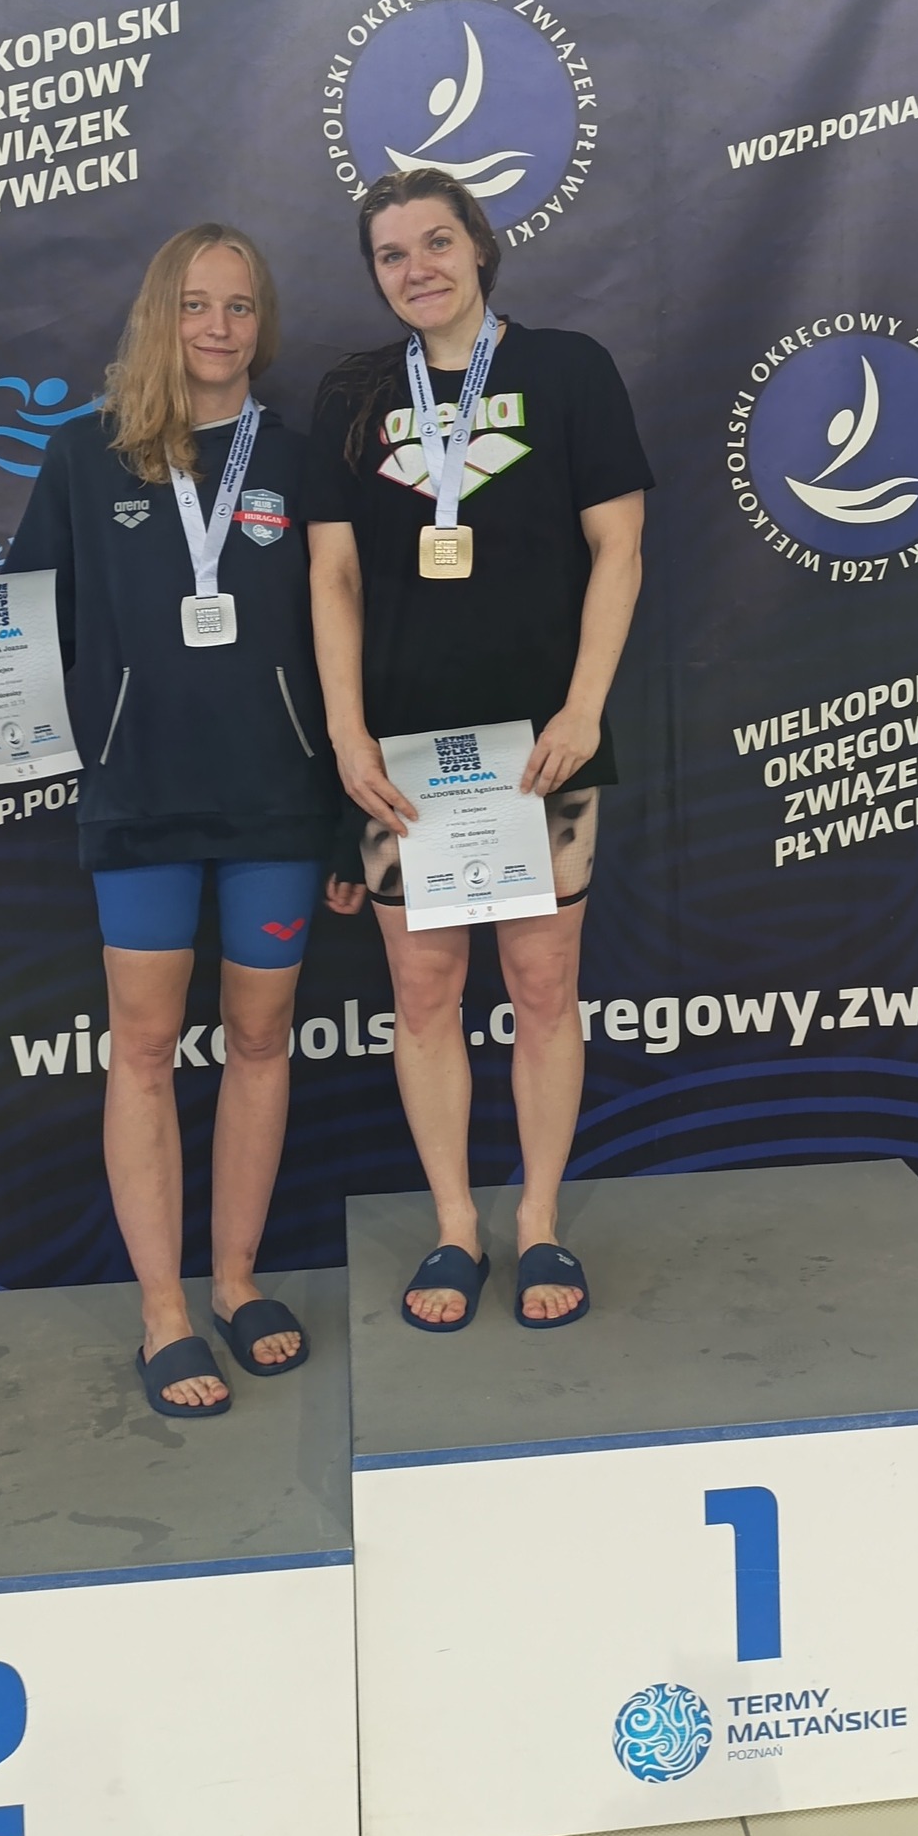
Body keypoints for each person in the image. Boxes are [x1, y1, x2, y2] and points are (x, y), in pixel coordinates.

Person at [0, 224, 338, 1414]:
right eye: (195, 303)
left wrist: (350, 815)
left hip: (275, 803)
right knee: (142, 1048)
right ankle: (162, 1310)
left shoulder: (296, 462)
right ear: (159, 313)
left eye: (238, 306)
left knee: (259, 1042)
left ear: (261, 322)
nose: (218, 327)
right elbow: (22, 629)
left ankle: (235, 1281)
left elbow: (344, 637)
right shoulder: (86, 458)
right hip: (138, 798)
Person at [305, 168, 652, 1332]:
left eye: (436, 242)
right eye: (391, 253)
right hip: (402, 753)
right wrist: (347, 734)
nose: (417, 268)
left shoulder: (567, 369)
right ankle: (454, 1224)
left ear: (480, 248)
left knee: (543, 987)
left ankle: (537, 1218)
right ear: (374, 275)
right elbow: (332, 574)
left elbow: (618, 547)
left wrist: (583, 709)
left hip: (541, 744)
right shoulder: (353, 394)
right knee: (422, 991)